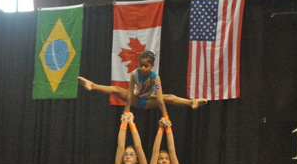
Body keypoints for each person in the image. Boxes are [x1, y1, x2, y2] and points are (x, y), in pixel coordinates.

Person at [78, 49, 207, 115]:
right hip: (135, 99)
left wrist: (165, 115)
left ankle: (192, 102)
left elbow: (160, 99)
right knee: (116, 89)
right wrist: (127, 112)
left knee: (168, 97)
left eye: (146, 66)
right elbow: (129, 94)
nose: (143, 68)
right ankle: (92, 85)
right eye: (141, 65)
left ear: (152, 66)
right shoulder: (135, 74)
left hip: (148, 101)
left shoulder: (155, 77)